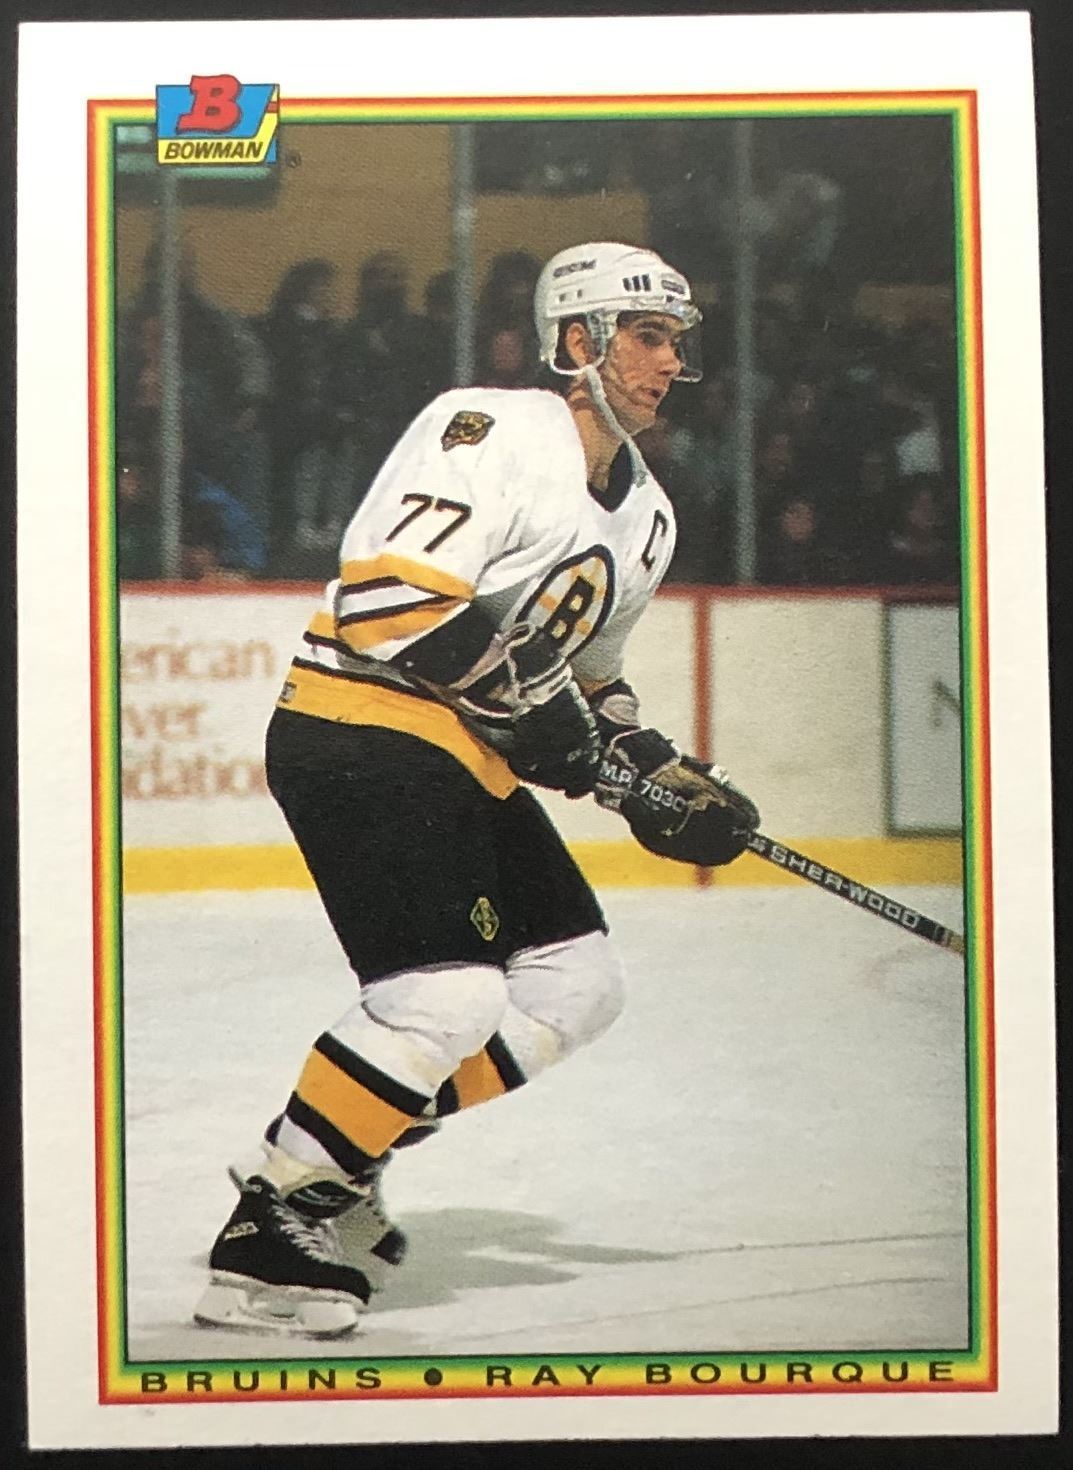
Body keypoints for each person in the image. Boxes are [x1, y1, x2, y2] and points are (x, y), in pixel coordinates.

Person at [193, 242, 761, 1338]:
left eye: (675, 343)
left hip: (463, 756)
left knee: (576, 985)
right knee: (444, 997)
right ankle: (272, 1222)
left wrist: (653, 772)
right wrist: (532, 706)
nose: (667, 362)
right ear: (577, 341)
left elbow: (589, 685)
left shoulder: (648, 516)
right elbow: (384, 602)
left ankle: (338, 1142)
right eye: (646, 336)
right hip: (357, 727)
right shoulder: (487, 428)